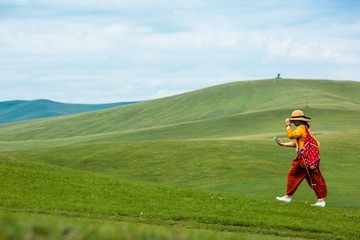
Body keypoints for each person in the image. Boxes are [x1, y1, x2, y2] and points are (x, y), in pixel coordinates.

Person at [274, 110, 327, 207]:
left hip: (303, 159)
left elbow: (291, 136)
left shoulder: (301, 128)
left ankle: (287, 197)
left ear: (298, 120)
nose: (293, 122)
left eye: (293, 121)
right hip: (308, 159)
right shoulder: (305, 128)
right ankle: (320, 201)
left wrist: (287, 126)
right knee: (315, 178)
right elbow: (297, 143)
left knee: (293, 175)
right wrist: (283, 144)